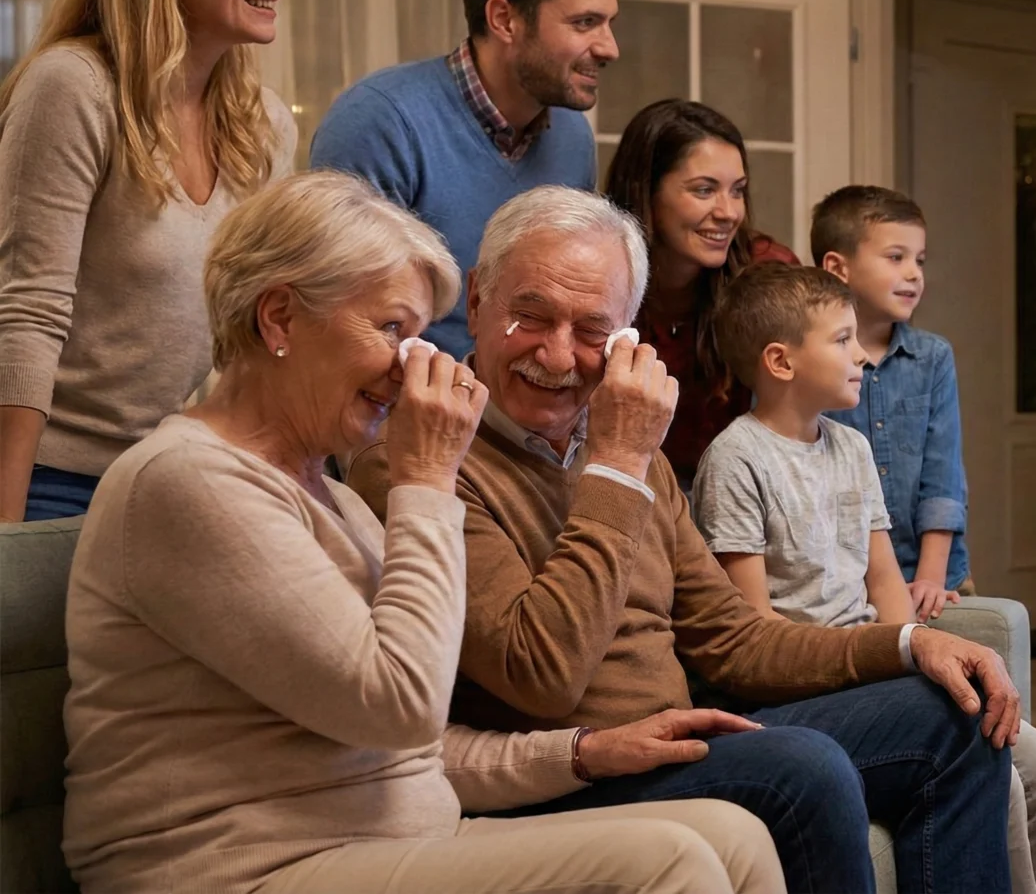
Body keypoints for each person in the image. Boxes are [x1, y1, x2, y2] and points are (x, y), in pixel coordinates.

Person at [62, 171, 782, 894]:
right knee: (670, 861)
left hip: (385, 840)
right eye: (389, 328)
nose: (415, 362)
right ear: (279, 317)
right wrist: (429, 478)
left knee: (734, 835)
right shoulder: (187, 480)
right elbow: (401, 704)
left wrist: (583, 752)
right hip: (242, 866)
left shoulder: (331, 500)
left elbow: (414, 751)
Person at [346, 186, 1021, 894]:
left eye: (590, 330)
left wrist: (910, 643)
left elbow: (734, 637)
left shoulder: (625, 445)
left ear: (625, 335)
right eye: (531, 315)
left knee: (955, 713)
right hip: (573, 769)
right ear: (479, 300)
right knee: (807, 769)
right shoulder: (425, 455)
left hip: (676, 744)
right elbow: (540, 674)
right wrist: (617, 463)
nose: (556, 353)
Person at [695, 261, 1036, 894]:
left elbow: (885, 589)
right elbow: (753, 634)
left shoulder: (852, 448)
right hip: (799, 690)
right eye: (842, 341)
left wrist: (915, 655)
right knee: (991, 765)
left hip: (876, 665)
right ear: (781, 362)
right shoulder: (736, 460)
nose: (863, 358)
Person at [0, 0, 298, 522]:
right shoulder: (73, 88)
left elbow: (257, 333)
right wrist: (6, 534)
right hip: (56, 474)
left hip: (179, 470)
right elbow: (27, 314)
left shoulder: (267, 127)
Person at [310, 0, 620, 354]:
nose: (610, 47)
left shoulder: (573, 138)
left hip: (522, 407)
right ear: (504, 19)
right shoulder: (380, 121)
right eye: (584, 23)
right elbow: (343, 319)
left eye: (609, 23)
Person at [603, 99, 799, 486]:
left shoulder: (766, 275)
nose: (729, 212)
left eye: (738, 190)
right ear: (647, 191)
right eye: (705, 190)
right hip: (627, 487)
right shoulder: (600, 277)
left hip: (744, 497)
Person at [813, 186, 971, 615]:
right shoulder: (808, 361)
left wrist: (930, 579)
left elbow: (943, 478)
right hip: (839, 580)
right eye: (895, 257)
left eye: (919, 260)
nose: (914, 273)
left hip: (930, 574)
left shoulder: (933, 358)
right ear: (837, 267)